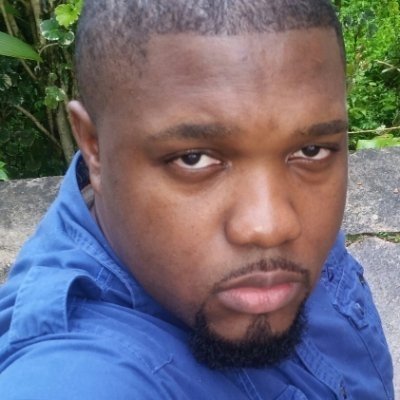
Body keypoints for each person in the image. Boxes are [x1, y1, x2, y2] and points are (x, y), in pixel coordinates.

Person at [0, 0, 394, 398]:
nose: (272, 225)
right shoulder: (74, 374)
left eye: (310, 150)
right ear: (94, 148)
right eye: (194, 159)